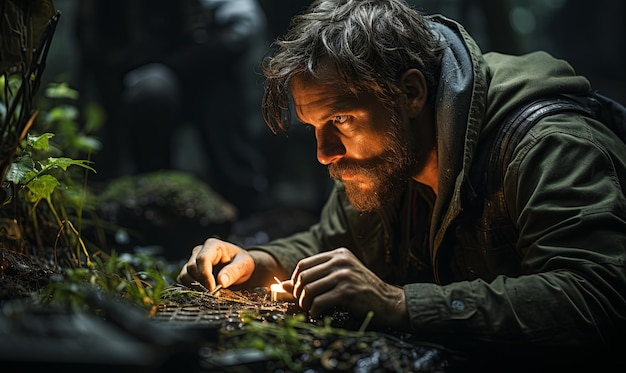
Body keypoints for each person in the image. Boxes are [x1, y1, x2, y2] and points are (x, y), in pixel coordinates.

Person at [177, 0, 626, 365]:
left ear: (411, 92)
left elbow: (597, 295)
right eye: (314, 127)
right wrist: (256, 261)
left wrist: (400, 304)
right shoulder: (385, 158)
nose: (325, 152)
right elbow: (332, 241)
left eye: (340, 118)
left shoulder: (548, 146)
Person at [74, 0, 269, 216]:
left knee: (212, 92)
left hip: (205, 76)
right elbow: (91, 44)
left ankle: (246, 205)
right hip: (136, 87)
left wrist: (174, 66)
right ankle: (151, 203)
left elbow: (244, 25)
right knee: (149, 92)